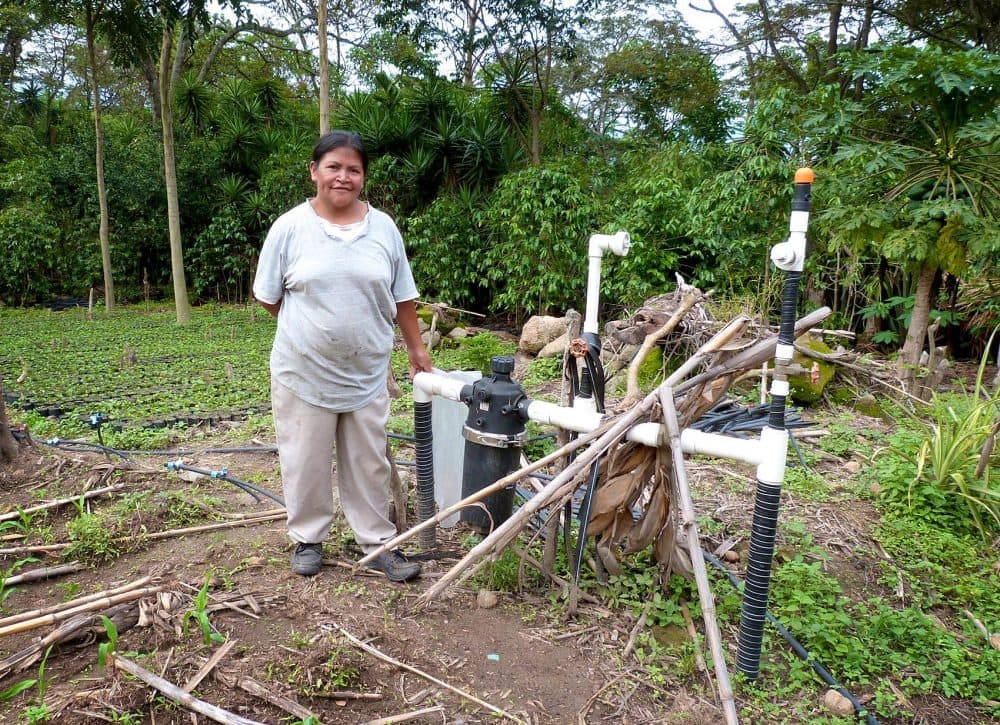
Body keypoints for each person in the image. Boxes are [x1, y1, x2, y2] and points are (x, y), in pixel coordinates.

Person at [252, 130, 433, 582]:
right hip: (302, 372)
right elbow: (270, 297)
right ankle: (308, 539)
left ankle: (376, 543)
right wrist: (312, 329)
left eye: (353, 169)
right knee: (305, 459)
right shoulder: (289, 227)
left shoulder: (383, 227)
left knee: (369, 462)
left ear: (363, 177)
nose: (343, 177)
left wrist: (416, 348)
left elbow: (404, 296)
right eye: (333, 167)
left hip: (367, 372)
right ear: (314, 171)